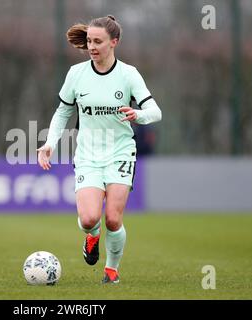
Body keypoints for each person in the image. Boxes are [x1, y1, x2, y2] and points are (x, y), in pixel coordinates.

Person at [37, 15, 162, 284]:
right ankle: (91, 236)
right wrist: (49, 143)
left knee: (113, 220)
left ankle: (111, 271)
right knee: (89, 218)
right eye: (89, 41)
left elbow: (155, 112)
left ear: (114, 42)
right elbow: (62, 113)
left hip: (120, 152)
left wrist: (137, 115)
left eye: (98, 41)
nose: (91, 47)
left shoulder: (128, 74)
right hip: (87, 155)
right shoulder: (76, 74)